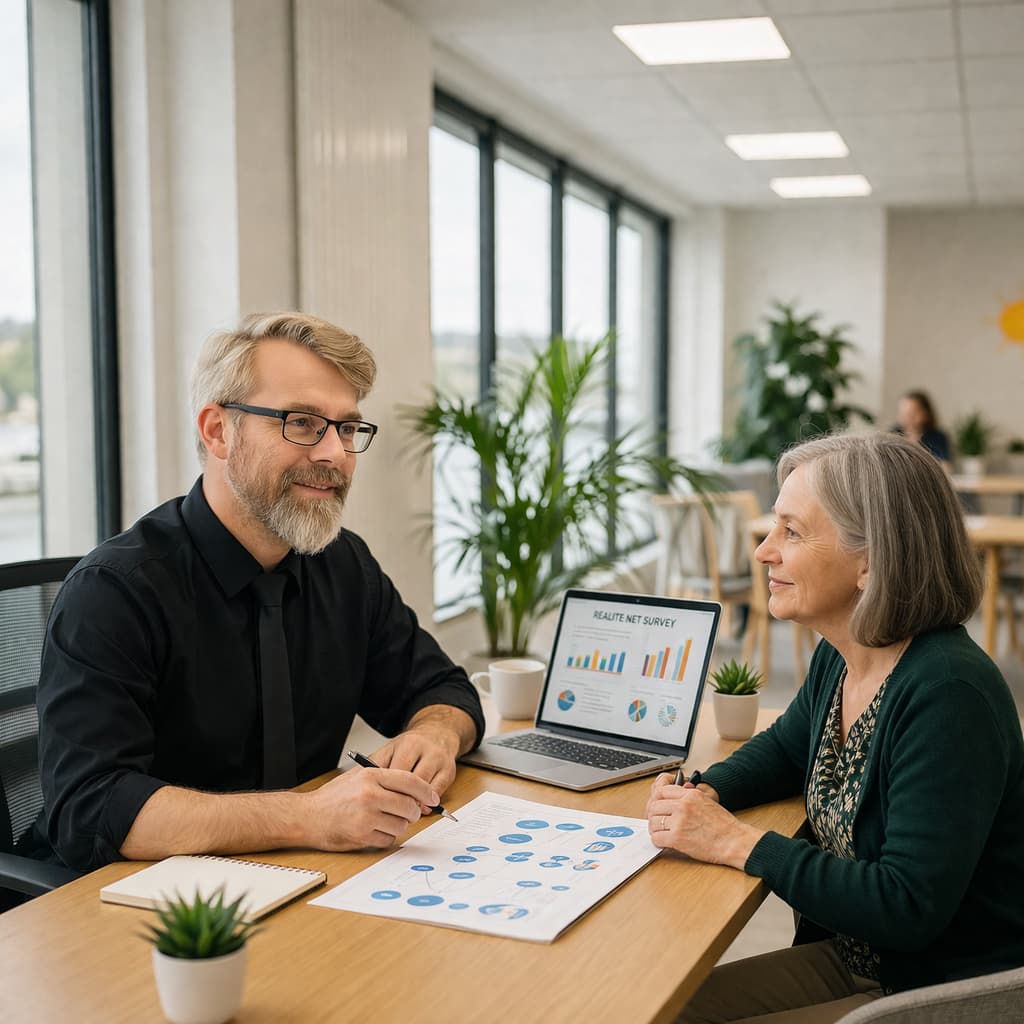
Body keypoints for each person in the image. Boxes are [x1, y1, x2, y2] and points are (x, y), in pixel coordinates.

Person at [32, 312, 484, 873]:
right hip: (151, 909)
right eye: (301, 422)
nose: (335, 455)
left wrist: (435, 735)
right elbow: (90, 809)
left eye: (346, 428)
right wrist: (308, 817)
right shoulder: (115, 592)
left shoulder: (343, 563)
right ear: (218, 431)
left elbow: (442, 688)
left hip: (307, 879)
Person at [646, 433, 1024, 1023]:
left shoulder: (949, 694)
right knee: (659, 1008)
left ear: (872, 561)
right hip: (860, 958)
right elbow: (787, 748)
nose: (764, 552)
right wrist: (706, 792)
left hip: (936, 990)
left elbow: (905, 905)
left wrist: (732, 841)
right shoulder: (846, 653)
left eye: (791, 532)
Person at [891, 389, 951, 465]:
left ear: (926, 414)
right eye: (903, 414)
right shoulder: (893, 435)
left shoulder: (937, 437)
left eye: (913, 413)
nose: (907, 418)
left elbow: (945, 465)